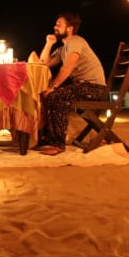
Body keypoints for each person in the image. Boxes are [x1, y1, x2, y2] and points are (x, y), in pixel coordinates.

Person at [37, 12, 107, 155]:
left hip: (94, 88)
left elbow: (67, 68)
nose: (54, 27)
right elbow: (44, 64)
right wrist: (49, 43)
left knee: (56, 96)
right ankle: (48, 138)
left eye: (58, 24)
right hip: (82, 86)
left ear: (69, 28)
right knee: (46, 95)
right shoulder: (63, 48)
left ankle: (57, 144)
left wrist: (52, 87)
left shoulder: (76, 41)